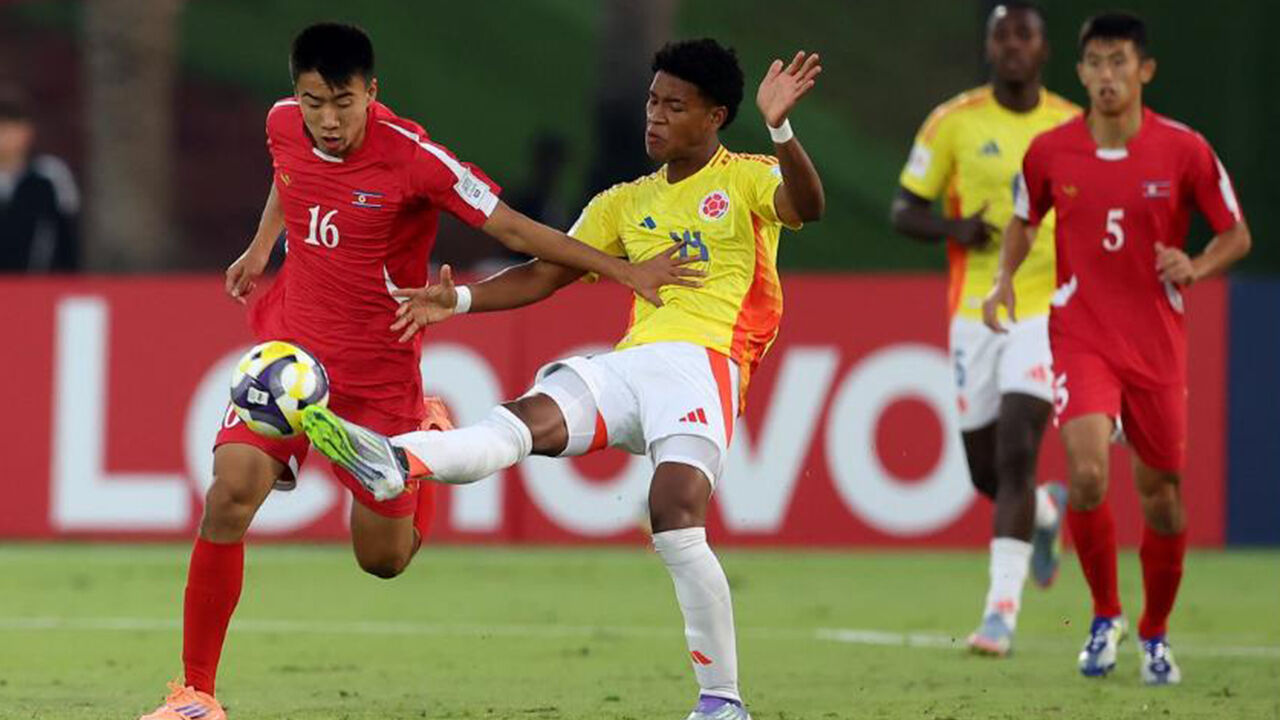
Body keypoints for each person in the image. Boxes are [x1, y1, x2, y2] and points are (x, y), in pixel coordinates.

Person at [139, 22, 692, 720]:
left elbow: (517, 230)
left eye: (343, 101)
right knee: (228, 495)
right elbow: (291, 179)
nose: (328, 120)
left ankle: (427, 432)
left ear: (372, 92)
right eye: (314, 101)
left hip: (377, 377)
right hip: (292, 357)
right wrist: (261, 246)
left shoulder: (417, 160)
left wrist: (622, 270)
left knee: (384, 560)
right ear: (295, 96)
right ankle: (195, 694)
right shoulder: (284, 125)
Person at [302, 38, 825, 720]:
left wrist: (781, 127)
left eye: (675, 106)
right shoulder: (622, 202)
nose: (655, 117)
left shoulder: (748, 177)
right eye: (651, 101)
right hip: (632, 363)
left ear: (715, 117)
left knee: (673, 517)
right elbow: (544, 274)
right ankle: (395, 458)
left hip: (705, 368)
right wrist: (456, 300)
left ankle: (722, 702)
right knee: (517, 424)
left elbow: (806, 207)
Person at [984, 11, 1250, 685]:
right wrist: (1003, 280)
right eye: (1096, 63)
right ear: (1080, 73)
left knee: (1161, 494)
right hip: (1081, 333)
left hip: (1156, 342)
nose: (1107, 75)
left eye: (1119, 62)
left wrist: (1197, 264)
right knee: (1088, 475)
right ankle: (1106, 617)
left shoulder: (1185, 150)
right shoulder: (1049, 151)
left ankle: (1155, 634)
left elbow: (1234, 234)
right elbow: (1021, 219)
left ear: (1144, 71)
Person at [889, 1, 1077, 656]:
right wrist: (955, 229)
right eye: (1002, 35)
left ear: (1043, 49)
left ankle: (999, 614)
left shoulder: (1073, 126)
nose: (1014, 45)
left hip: (1048, 309)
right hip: (974, 311)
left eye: (1025, 34)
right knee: (986, 471)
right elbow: (904, 209)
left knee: (1019, 451)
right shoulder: (953, 122)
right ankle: (1047, 513)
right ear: (990, 49)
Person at [0, 90, 79, 272]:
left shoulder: (49, 176)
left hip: (38, 288)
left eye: (9, 128)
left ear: (27, 132)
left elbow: (66, 237)